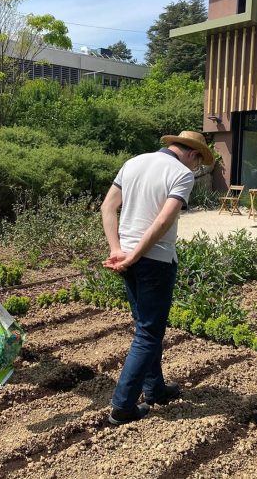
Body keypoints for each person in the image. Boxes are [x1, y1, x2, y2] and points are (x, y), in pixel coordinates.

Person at [100, 130, 213, 425]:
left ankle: (155, 389)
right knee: (149, 334)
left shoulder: (134, 162)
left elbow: (108, 207)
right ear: (193, 153)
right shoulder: (181, 173)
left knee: (144, 327)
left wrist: (118, 250)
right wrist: (137, 254)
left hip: (126, 257)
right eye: (197, 162)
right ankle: (123, 406)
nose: (195, 168)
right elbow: (164, 220)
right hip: (155, 260)